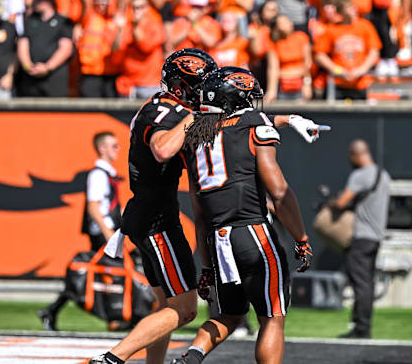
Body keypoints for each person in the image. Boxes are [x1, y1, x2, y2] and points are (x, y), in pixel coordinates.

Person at [88, 49, 324, 364]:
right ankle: (111, 359)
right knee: (185, 309)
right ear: (186, 87)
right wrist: (196, 113)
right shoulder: (166, 109)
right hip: (162, 221)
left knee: (170, 306)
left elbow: (238, 123)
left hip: (170, 221)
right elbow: (162, 149)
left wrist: (289, 118)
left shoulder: (194, 119)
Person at [170, 66, 314, 364]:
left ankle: (192, 357)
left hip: (217, 237)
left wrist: (207, 265)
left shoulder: (196, 135)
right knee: (272, 317)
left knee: (231, 314)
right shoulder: (254, 123)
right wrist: (300, 237)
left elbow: (199, 212)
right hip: (253, 233)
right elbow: (279, 192)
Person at [38, 131, 121, 331]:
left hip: (108, 230)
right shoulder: (98, 175)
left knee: (105, 272)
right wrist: (107, 231)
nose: (117, 149)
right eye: (113, 146)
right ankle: (117, 316)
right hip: (103, 233)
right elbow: (94, 207)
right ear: (102, 149)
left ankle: (53, 310)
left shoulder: (108, 174)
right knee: (107, 271)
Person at [328, 139, 390, 339]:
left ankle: (361, 329)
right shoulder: (384, 175)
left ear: (355, 154)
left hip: (361, 236)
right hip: (376, 237)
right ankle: (364, 327)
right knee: (368, 284)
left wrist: (332, 203)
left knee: (360, 284)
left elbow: (342, 202)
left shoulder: (360, 175)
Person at [313, 0, 381, 100]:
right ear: (341, 12)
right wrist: (337, 70)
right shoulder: (331, 29)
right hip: (337, 83)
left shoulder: (364, 26)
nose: (353, 11)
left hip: (360, 83)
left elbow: (374, 51)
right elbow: (319, 54)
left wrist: (361, 69)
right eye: (349, 8)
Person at [17, 0, 74, 98]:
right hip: (30, 77)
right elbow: (23, 42)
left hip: (54, 78)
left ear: (47, 1)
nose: (35, 3)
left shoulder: (63, 21)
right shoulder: (30, 20)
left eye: (38, 0)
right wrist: (27, 66)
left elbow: (66, 48)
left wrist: (47, 67)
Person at [116, 0, 166, 99]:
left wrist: (135, 27)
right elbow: (116, 50)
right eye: (134, 7)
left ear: (147, 8)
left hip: (150, 84)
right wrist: (119, 30)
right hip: (128, 85)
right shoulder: (126, 26)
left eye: (140, 7)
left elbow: (145, 47)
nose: (136, 11)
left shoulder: (155, 25)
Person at [76, 0, 123, 98]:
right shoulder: (89, 18)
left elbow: (122, 1)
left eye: (105, 4)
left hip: (110, 72)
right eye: (99, 4)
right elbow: (85, 0)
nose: (102, 7)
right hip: (90, 71)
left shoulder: (114, 21)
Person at [265, 14, 312, 102]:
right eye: (284, 22)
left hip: (300, 85)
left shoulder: (301, 37)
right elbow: (273, 68)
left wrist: (307, 84)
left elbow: (308, 63)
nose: (289, 23)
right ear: (276, 27)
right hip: (283, 86)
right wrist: (272, 91)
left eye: (288, 21)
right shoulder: (273, 43)